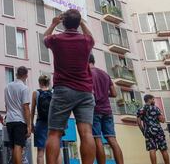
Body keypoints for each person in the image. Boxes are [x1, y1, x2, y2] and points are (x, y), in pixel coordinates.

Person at [44, 9, 95, 164]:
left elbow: (44, 37)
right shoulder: (86, 41)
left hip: (63, 90)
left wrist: (53, 24)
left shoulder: (56, 39)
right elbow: (91, 36)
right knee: (86, 133)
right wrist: (82, 22)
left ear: (63, 23)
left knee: (54, 133)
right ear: (78, 23)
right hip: (85, 91)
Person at [89, 54, 124, 164]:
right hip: (108, 111)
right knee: (112, 139)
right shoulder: (105, 74)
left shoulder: (86, 74)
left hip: (95, 110)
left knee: (97, 138)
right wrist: (104, 93)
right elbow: (114, 93)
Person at [31, 75, 61, 164]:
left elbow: (32, 110)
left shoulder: (35, 93)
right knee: (57, 151)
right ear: (49, 82)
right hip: (54, 124)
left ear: (39, 83)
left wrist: (31, 124)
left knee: (40, 152)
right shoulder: (54, 92)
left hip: (40, 124)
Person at [4, 66, 31, 164]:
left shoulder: (7, 87)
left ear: (16, 74)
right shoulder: (24, 88)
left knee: (13, 147)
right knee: (18, 146)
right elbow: (26, 108)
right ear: (26, 75)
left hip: (10, 120)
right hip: (19, 120)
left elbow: (6, 105)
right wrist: (29, 125)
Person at [137, 94, 169, 164]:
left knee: (152, 149)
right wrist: (161, 116)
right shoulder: (156, 108)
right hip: (158, 131)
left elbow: (139, 123)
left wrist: (143, 132)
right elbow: (162, 120)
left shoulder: (140, 110)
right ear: (149, 99)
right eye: (153, 99)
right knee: (163, 149)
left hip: (148, 132)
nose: (154, 100)